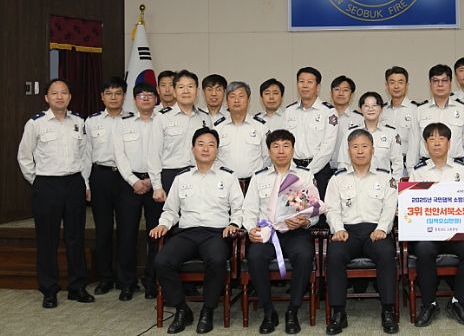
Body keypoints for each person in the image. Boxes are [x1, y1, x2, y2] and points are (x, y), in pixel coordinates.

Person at [151, 127, 243, 334]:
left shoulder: (228, 177)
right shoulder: (182, 178)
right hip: (187, 233)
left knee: (217, 260)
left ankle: (207, 311)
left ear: (217, 150)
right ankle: (181, 309)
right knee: (162, 261)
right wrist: (163, 224)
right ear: (193, 149)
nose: (206, 149)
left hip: (216, 233)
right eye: (201, 144)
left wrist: (234, 224)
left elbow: (239, 209)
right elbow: (171, 210)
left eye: (211, 145)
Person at [17, 78, 94, 308]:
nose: (59, 97)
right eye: (54, 93)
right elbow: (24, 156)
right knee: (47, 239)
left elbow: (85, 156)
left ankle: (77, 287)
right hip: (47, 185)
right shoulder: (36, 123)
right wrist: (37, 181)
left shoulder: (79, 121)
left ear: (70, 97)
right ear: (46, 97)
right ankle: (49, 290)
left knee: (75, 237)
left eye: (64, 92)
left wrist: (84, 183)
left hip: (74, 183)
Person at [243, 129, 319, 334]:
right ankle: (269, 312)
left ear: (293, 149)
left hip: (295, 232)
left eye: (286, 146)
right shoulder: (258, 177)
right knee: (255, 256)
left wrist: (304, 221)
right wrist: (251, 229)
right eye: (275, 146)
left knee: (304, 255)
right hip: (267, 232)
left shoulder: (304, 176)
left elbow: (314, 212)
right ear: (269, 151)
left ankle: (292, 311)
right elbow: (248, 210)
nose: (281, 151)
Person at [324, 130, 399, 335]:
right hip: (347, 232)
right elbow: (331, 209)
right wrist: (338, 229)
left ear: (372, 150)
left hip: (376, 231)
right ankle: (339, 313)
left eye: (364, 146)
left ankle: (388, 310)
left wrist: (382, 228)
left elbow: (390, 207)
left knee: (387, 254)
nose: (360, 151)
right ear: (348, 151)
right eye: (355, 147)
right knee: (334, 254)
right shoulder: (337, 179)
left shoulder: (386, 177)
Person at [409, 123, 464, 327]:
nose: (437, 143)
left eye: (441, 139)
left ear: (449, 143)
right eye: (431, 139)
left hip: (456, 232)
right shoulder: (418, 172)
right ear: (425, 144)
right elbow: (412, 205)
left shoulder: (462, 170)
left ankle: (458, 302)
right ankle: (429, 304)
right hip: (429, 233)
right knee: (424, 250)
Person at [113, 82, 162, 300]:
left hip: (156, 184)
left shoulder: (162, 122)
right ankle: (127, 282)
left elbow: (165, 152)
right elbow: (119, 156)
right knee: (127, 234)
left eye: (150, 95)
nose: (146, 98)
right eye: (141, 95)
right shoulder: (122, 123)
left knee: (156, 234)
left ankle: (152, 281)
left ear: (156, 99)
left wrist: (152, 180)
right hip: (129, 184)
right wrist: (134, 180)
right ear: (134, 100)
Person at [83, 76, 129, 296]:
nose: (113, 97)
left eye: (118, 93)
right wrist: (86, 183)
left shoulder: (132, 120)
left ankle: (125, 278)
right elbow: (86, 154)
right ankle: (105, 277)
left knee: (126, 229)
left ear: (124, 96)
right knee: (103, 230)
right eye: (109, 93)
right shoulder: (91, 122)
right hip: (100, 176)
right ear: (102, 97)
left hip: (126, 177)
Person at [409, 64, 464, 178]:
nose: (440, 84)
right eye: (435, 81)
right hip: (426, 170)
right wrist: (410, 173)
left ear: (451, 83)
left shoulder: (463, 109)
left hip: (457, 169)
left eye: (444, 80)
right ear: (430, 84)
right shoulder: (420, 110)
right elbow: (413, 146)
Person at [149, 69, 211, 201]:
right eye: (181, 87)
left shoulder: (205, 118)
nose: (186, 91)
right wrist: (157, 186)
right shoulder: (162, 118)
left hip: (199, 175)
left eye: (190, 86)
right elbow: (154, 154)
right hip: (170, 176)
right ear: (174, 91)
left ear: (197, 91)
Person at [283, 67, 339, 201]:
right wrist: (294, 169)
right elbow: (285, 143)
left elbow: (328, 147)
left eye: (309, 82)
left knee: (319, 210)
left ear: (318, 87)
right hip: (293, 170)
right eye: (301, 81)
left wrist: (308, 172)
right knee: (293, 210)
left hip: (318, 171)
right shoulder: (289, 111)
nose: (305, 85)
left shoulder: (328, 112)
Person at [215, 81, 270, 193]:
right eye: (232, 96)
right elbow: (213, 159)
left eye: (241, 96)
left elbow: (267, 157)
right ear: (227, 101)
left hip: (253, 186)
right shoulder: (218, 128)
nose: (236, 100)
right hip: (225, 186)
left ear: (248, 100)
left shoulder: (260, 126)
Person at [336, 92, 402, 179]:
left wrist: (393, 184)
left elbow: (398, 164)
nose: (371, 109)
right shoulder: (350, 133)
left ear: (381, 109)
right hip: (356, 182)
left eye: (374, 105)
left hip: (383, 183)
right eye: (366, 106)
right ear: (360, 109)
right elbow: (343, 163)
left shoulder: (391, 133)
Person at [381, 66, 419, 175]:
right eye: (392, 82)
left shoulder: (416, 110)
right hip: (384, 166)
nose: (396, 86)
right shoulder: (381, 110)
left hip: (408, 166)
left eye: (400, 82)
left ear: (406, 85)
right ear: (387, 86)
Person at [330, 75, 364, 167]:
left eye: (345, 90)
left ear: (351, 95)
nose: (340, 93)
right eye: (337, 89)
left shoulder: (359, 119)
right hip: (323, 168)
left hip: (349, 168)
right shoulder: (323, 116)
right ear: (331, 93)